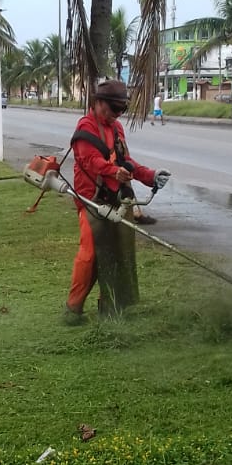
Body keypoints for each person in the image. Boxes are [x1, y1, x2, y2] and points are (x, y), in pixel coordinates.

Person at [64, 79, 170, 323]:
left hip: (117, 200)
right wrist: (113, 172)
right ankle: (73, 309)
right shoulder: (86, 128)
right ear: (98, 103)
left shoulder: (117, 129)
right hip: (90, 201)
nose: (115, 115)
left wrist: (151, 176)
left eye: (120, 111)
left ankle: (112, 306)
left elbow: (126, 162)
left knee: (118, 253)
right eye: (112, 110)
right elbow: (90, 162)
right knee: (90, 255)